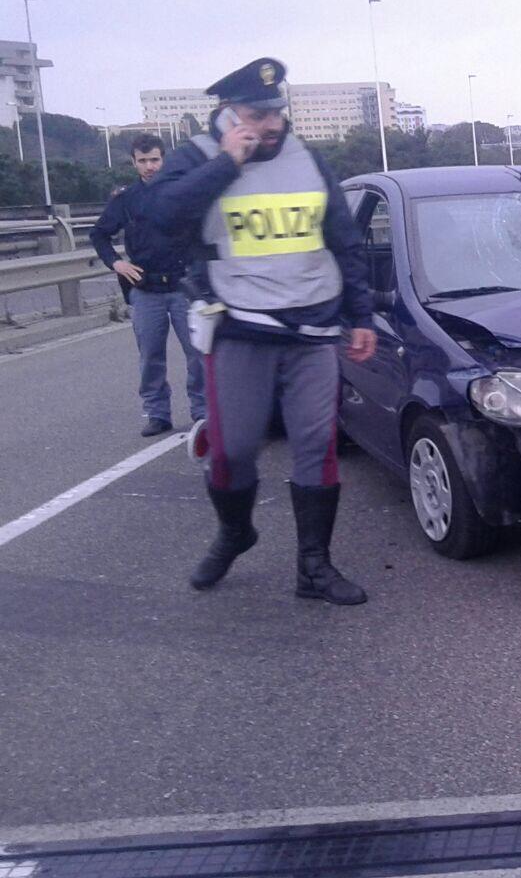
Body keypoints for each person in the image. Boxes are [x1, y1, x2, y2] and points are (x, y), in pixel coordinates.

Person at [145, 57, 377, 606]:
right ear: (227, 111)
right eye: (256, 113)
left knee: (316, 445)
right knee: (232, 449)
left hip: (313, 330)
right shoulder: (199, 157)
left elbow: (343, 241)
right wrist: (228, 163)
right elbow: (162, 217)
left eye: (277, 111)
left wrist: (360, 316)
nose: (270, 125)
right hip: (240, 329)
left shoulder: (308, 159)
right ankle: (235, 532)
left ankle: (314, 569)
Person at [88, 134, 205, 436]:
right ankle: (157, 413)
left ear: (163, 158)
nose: (150, 166)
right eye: (143, 161)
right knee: (151, 356)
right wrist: (117, 263)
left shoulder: (182, 194)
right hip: (145, 289)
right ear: (134, 162)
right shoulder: (126, 200)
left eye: (154, 159)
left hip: (182, 286)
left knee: (197, 353)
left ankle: (203, 410)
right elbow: (99, 235)